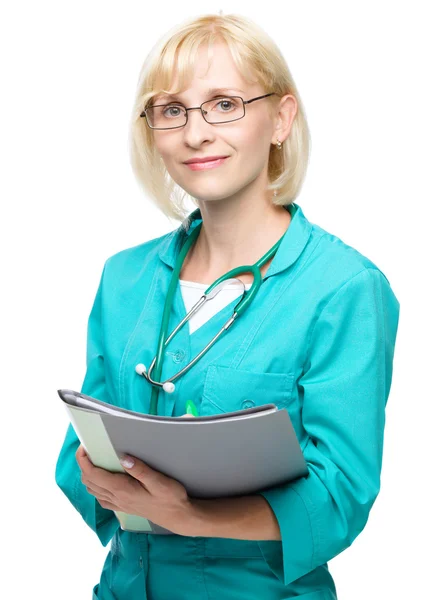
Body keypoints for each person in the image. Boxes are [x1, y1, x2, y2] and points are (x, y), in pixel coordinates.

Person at [55, 12, 400, 600]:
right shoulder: (125, 278)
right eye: (172, 110)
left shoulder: (343, 290)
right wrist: (91, 469)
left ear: (280, 119)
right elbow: (80, 452)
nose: (195, 133)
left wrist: (189, 515)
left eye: (224, 104)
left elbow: (339, 496)